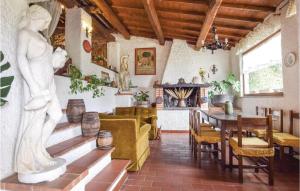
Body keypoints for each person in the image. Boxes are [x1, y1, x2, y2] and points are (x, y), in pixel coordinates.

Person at [15, 5, 67, 177]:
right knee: (35, 121)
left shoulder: (40, 37)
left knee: (56, 115)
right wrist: (33, 86)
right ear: (35, 17)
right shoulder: (24, 33)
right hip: (36, 82)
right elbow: (21, 58)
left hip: (48, 81)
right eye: (45, 22)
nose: (46, 26)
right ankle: (29, 158)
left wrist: (56, 60)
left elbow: (47, 62)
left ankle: (39, 150)